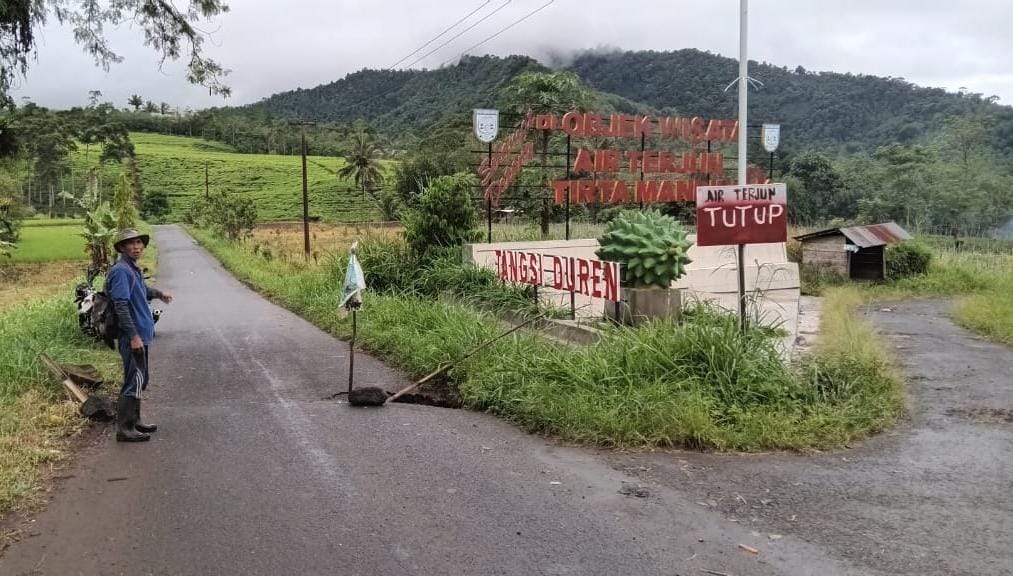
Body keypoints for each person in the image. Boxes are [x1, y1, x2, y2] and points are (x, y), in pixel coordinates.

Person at [106, 229, 173, 442]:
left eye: (138, 243)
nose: (136, 247)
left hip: (141, 335)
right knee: (134, 379)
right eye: (130, 244)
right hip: (132, 336)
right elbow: (121, 305)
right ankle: (124, 428)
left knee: (140, 379)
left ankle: (135, 421)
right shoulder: (121, 271)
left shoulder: (132, 269)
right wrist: (133, 336)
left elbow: (142, 290)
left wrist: (160, 294)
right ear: (122, 248)